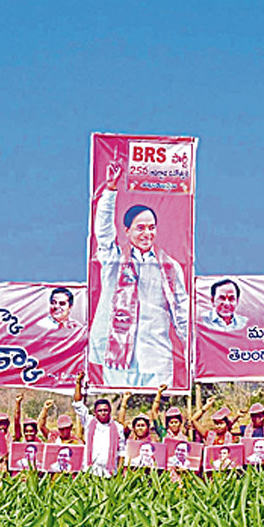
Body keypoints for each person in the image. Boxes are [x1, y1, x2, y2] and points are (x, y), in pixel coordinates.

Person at [87, 161, 190, 387]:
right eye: (140, 228)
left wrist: (191, 350)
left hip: (156, 355)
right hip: (118, 356)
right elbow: (103, 233)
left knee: (158, 405)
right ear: (127, 231)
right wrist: (110, 190)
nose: (147, 233)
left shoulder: (170, 266)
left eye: (151, 227)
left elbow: (182, 311)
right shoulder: (114, 259)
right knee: (117, 402)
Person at [73, 375, 121, 477]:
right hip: (90, 471)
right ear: (95, 412)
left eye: (105, 410)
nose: (103, 413)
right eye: (100, 410)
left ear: (110, 411)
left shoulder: (118, 427)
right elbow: (78, 404)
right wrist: (78, 383)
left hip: (110, 474)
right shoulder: (89, 422)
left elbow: (122, 451)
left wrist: (121, 473)